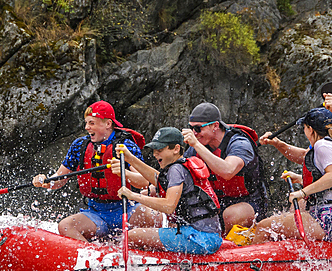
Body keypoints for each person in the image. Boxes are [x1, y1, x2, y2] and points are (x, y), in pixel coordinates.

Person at [33, 100, 143, 241]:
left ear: (108, 124)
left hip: (127, 209)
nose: (86, 127)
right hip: (96, 214)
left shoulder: (126, 145)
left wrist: (124, 173)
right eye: (86, 123)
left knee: (155, 216)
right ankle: (93, 258)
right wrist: (46, 182)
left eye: (91, 123)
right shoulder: (79, 146)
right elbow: (59, 179)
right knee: (65, 226)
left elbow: (143, 182)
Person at [113, 127, 223, 254]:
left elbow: (169, 206)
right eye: (154, 150)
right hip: (208, 237)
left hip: (198, 239)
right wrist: (130, 158)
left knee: (130, 236)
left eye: (159, 150)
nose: (155, 154)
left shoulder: (176, 170)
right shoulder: (182, 166)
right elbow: (158, 179)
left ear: (176, 149)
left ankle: (146, 268)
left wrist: (133, 196)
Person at [253, 108, 332, 242]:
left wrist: (302, 192)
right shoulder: (329, 143)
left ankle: (251, 263)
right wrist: (301, 179)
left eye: (305, 128)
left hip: (330, 219)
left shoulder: (323, 145)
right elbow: (330, 183)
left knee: (264, 226)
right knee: (285, 218)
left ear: (310, 129)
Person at [182, 102, 269, 234]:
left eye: (198, 129)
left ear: (215, 126)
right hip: (216, 202)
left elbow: (228, 171)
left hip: (249, 202)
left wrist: (196, 145)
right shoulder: (196, 148)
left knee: (231, 215)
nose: (194, 133)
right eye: (191, 128)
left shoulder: (239, 143)